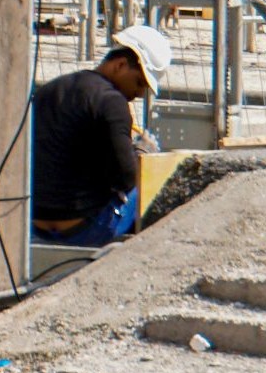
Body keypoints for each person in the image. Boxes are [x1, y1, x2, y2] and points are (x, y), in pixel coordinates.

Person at [30, 25, 173, 247]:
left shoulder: (50, 89)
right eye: (139, 82)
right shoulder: (112, 102)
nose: (139, 94)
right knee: (156, 186)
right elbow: (126, 178)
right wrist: (142, 153)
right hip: (85, 228)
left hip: (34, 222)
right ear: (120, 65)